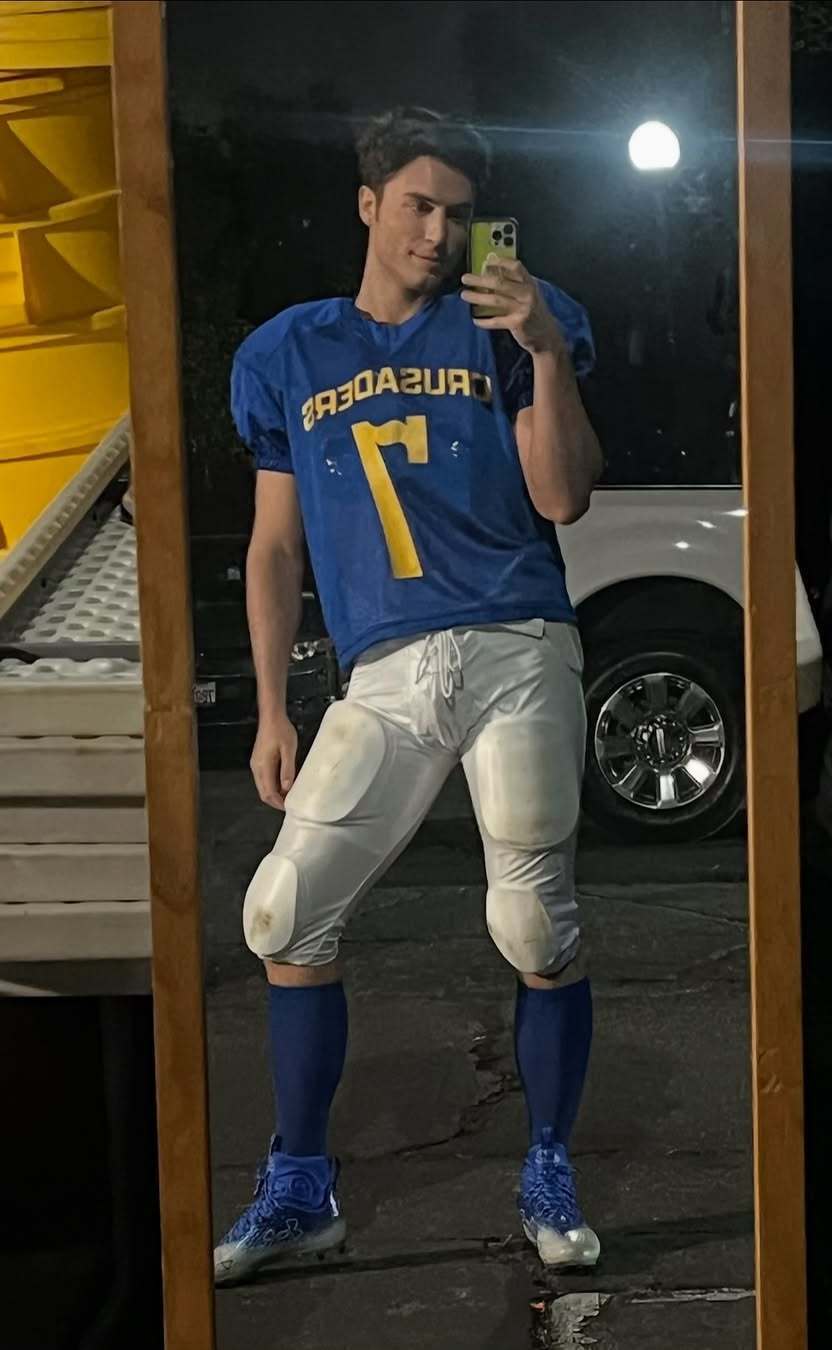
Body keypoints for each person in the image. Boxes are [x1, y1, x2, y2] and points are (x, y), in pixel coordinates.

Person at [213, 106, 605, 1286]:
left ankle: (548, 1164)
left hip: (515, 641)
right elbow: (275, 546)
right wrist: (274, 707)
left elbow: (564, 497)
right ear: (369, 203)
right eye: (419, 205)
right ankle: (301, 1185)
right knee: (284, 913)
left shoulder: (507, 320)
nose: (438, 233)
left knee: (532, 924)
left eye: (459, 212)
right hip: (382, 670)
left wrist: (544, 350)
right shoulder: (289, 351)